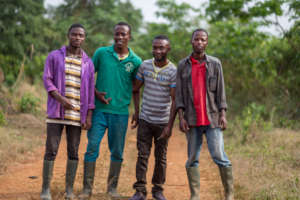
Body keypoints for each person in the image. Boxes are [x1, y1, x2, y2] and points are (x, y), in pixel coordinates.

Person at [79, 22, 142, 199]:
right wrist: (95, 93)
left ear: (129, 37)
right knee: (92, 147)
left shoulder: (135, 61)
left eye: (123, 34)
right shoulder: (101, 53)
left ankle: (112, 188)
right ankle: (87, 189)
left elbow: (136, 89)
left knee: (117, 151)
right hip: (99, 111)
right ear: (113, 35)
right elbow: (88, 77)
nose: (120, 37)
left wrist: (136, 111)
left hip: (120, 113)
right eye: (117, 34)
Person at [175, 28, 234, 200]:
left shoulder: (215, 63)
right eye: (196, 39)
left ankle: (229, 194)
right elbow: (179, 94)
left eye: (203, 39)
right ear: (191, 41)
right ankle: (195, 195)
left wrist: (223, 114)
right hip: (192, 119)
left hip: (213, 118)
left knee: (219, 155)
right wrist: (181, 117)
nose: (199, 42)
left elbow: (221, 91)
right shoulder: (182, 65)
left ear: (207, 42)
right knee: (192, 157)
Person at [41, 23, 95, 200]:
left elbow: (90, 91)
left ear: (84, 38)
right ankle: (46, 190)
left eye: (81, 35)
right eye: (74, 34)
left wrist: (88, 116)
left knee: (73, 151)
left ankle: (69, 190)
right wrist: (60, 99)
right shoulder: (55, 56)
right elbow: (47, 80)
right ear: (68, 35)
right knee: (51, 150)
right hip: (56, 113)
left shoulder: (88, 62)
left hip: (76, 115)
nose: (77, 38)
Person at [129, 35, 177, 200]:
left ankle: (158, 190)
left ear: (168, 49)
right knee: (142, 154)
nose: (157, 51)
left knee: (161, 157)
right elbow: (136, 89)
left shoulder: (173, 71)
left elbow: (175, 100)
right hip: (145, 120)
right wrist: (137, 111)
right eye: (155, 47)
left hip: (163, 122)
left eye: (161, 48)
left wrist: (169, 126)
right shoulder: (145, 66)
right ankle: (140, 190)